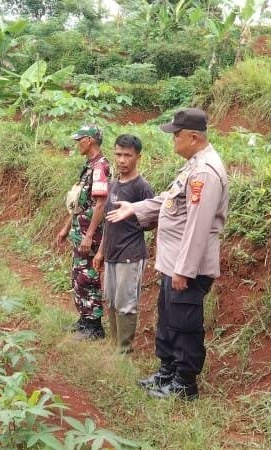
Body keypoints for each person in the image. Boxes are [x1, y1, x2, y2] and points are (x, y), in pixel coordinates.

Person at [106, 108, 228, 400]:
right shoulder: (192, 166)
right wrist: (135, 208)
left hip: (186, 268)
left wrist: (184, 270)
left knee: (185, 324)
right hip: (172, 262)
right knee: (169, 319)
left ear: (194, 137)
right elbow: (167, 202)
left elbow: (198, 226)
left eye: (176, 135)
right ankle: (167, 372)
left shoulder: (205, 172)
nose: (173, 140)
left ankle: (184, 384)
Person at [92, 134, 154, 354]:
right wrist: (100, 251)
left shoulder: (142, 187)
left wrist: (133, 216)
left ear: (138, 157)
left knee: (126, 302)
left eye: (127, 155)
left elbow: (151, 222)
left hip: (131, 253)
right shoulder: (114, 185)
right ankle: (114, 345)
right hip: (111, 252)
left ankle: (123, 350)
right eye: (118, 154)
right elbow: (108, 224)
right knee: (112, 300)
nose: (121, 160)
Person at [57, 124, 110, 340]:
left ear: (89, 140)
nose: (77, 143)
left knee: (88, 277)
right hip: (81, 232)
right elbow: (80, 203)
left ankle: (94, 326)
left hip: (91, 236)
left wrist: (89, 235)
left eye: (80, 140)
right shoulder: (90, 166)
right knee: (78, 276)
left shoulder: (100, 168)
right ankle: (84, 319)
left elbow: (100, 205)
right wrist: (66, 227)